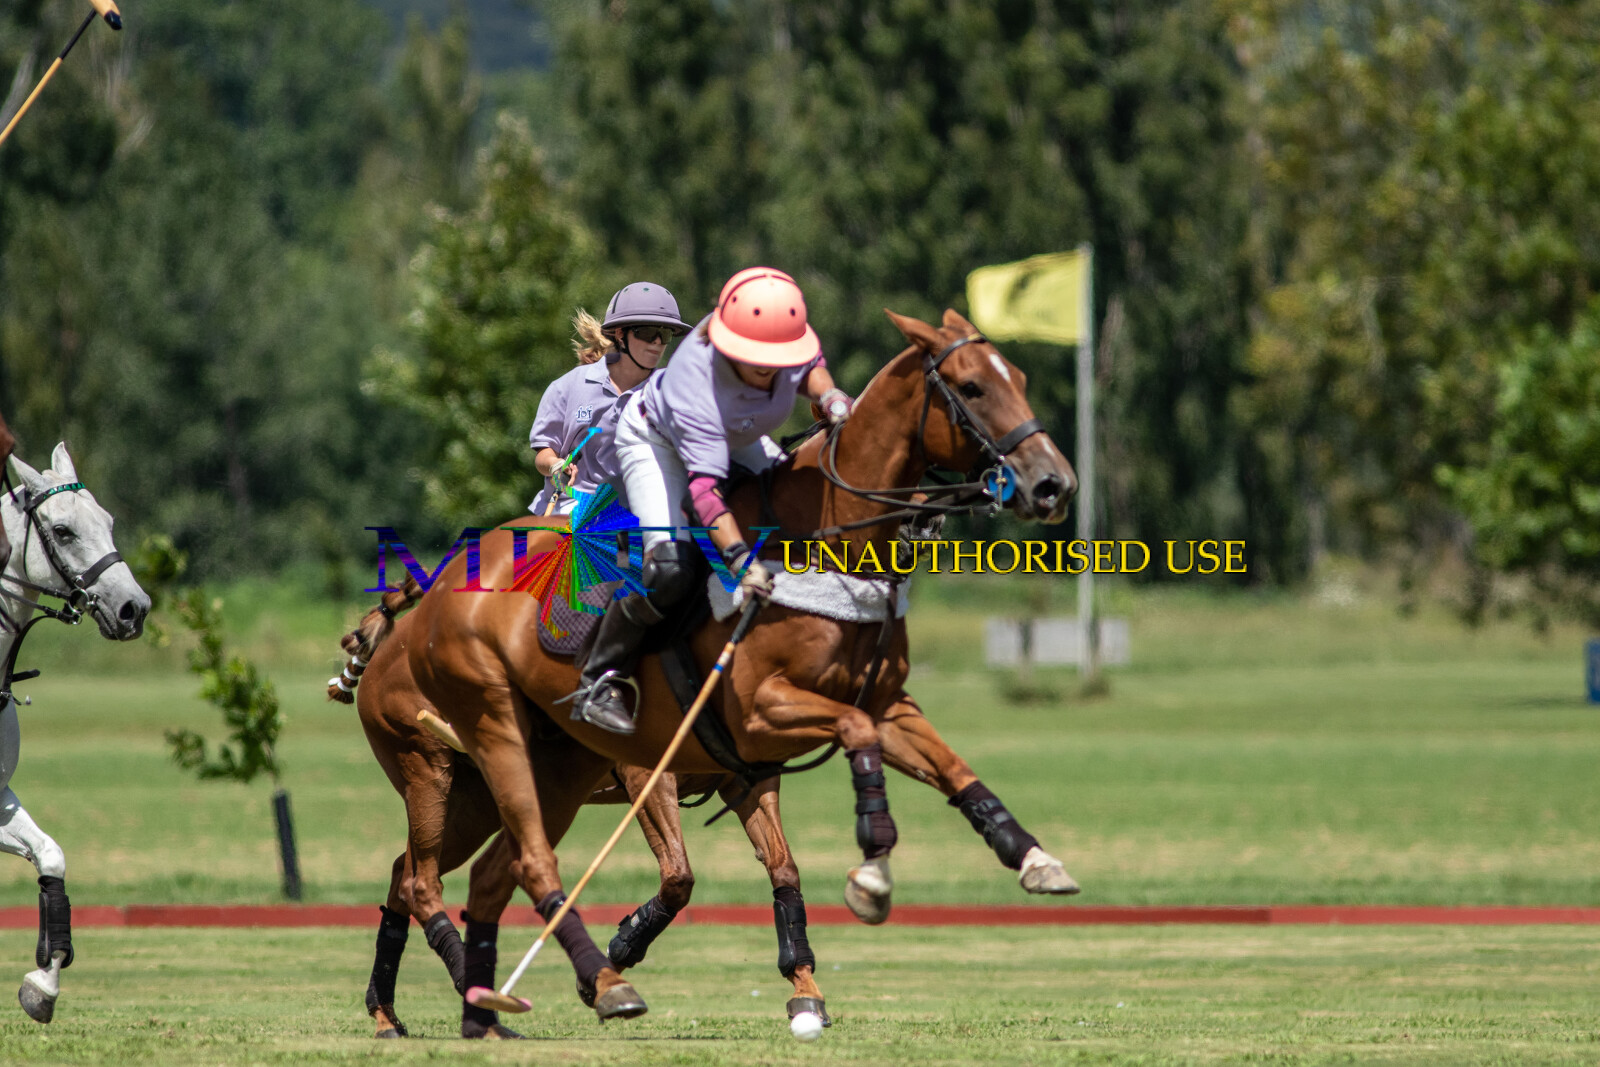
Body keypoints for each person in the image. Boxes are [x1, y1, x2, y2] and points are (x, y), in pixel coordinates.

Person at [570, 267, 854, 735]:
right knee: (669, 570)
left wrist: (833, 399)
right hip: (656, 439)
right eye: (757, 360)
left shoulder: (778, 334)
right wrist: (743, 562)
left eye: (778, 359)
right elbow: (705, 492)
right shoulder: (695, 383)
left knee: (798, 506)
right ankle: (598, 680)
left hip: (735, 434)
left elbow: (811, 368)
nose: (770, 369)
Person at [528, 283, 691, 516]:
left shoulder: (672, 393)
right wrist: (555, 466)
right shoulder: (568, 386)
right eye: (647, 332)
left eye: (665, 334)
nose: (657, 342)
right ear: (620, 334)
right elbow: (544, 453)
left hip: (641, 513)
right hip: (572, 508)